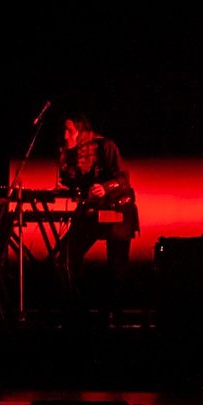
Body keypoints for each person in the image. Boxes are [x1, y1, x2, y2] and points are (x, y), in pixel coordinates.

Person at [53, 112, 139, 322]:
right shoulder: (69, 153)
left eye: (69, 130)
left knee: (116, 265)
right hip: (93, 210)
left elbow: (123, 179)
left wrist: (105, 187)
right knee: (65, 255)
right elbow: (76, 184)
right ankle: (76, 308)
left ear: (81, 130)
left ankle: (112, 314)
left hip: (117, 210)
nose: (65, 136)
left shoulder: (105, 146)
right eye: (63, 131)